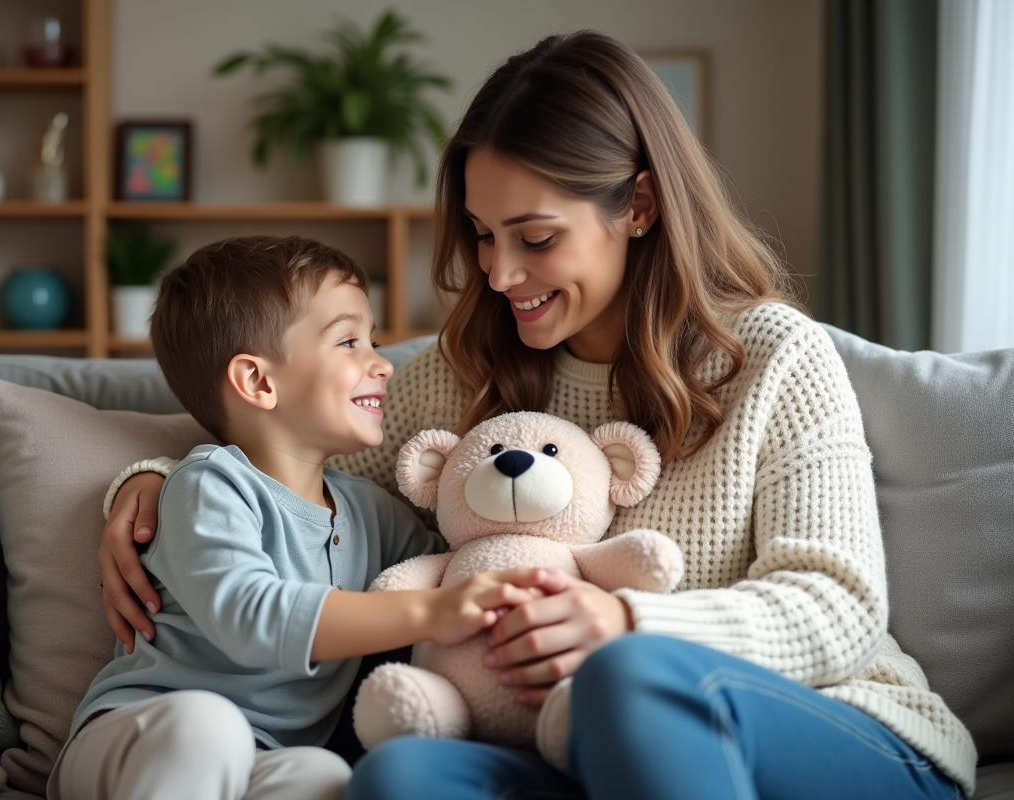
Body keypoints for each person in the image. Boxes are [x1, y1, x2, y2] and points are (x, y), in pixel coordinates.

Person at [98, 33, 976, 800]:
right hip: (569, 747)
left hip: (836, 729)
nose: (499, 273)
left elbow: (840, 607)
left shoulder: (774, 355)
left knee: (624, 679)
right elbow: (297, 464)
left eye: (536, 237)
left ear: (638, 207)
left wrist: (625, 624)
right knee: (400, 778)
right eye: (483, 233)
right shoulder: (462, 374)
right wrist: (152, 485)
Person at [50, 235, 541, 800]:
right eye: (349, 342)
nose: (382, 363)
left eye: (375, 341)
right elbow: (249, 616)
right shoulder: (211, 484)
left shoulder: (373, 513)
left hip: (267, 756)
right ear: (258, 382)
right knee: (208, 726)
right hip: (136, 734)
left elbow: (452, 567)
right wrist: (432, 613)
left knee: (324, 777)